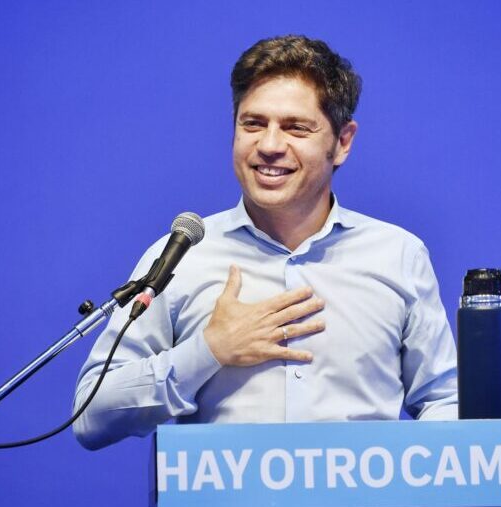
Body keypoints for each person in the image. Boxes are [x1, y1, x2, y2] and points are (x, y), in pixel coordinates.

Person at [73, 35, 457, 451]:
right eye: (253, 124)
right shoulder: (182, 256)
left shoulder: (397, 255)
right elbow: (91, 416)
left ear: (342, 142)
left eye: (296, 128)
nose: (270, 146)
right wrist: (207, 351)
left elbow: (446, 401)